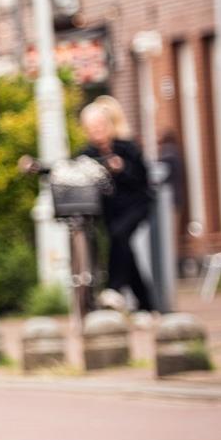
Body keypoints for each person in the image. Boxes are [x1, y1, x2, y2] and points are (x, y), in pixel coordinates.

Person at [78, 100, 156, 313]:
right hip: (111, 212)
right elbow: (71, 168)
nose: (97, 132)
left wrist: (122, 168)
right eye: (92, 128)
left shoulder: (127, 148)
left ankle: (114, 288)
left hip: (136, 206)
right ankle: (146, 305)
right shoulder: (87, 155)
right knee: (124, 249)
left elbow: (143, 179)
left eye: (101, 127)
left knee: (119, 236)